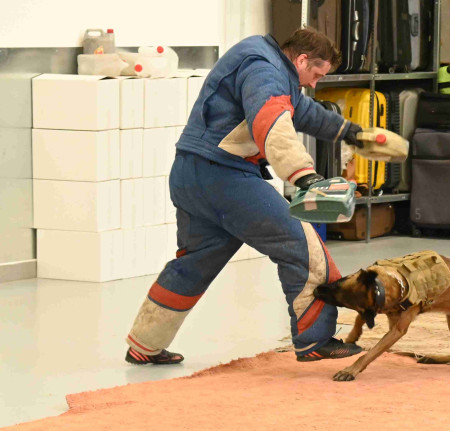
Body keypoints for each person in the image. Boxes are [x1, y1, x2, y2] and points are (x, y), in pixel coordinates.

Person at [124, 28, 365, 365]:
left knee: (194, 262)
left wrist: (356, 133)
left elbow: (305, 113)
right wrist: (304, 175)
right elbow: (270, 121)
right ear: (302, 59)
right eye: (316, 74)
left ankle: (144, 345)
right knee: (303, 247)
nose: (314, 83)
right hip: (225, 177)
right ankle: (316, 340)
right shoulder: (263, 69)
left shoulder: (266, 63)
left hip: (190, 174)